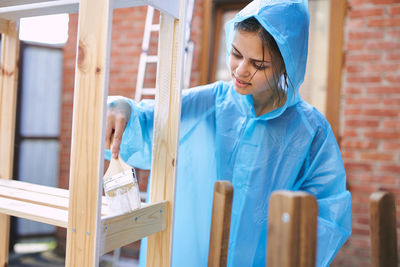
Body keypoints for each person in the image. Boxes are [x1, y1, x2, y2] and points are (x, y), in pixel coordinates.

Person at [105, 0, 352, 266]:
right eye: (236, 53)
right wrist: (121, 107)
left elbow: (327, 213)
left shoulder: (311, 131)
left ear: (286, 64)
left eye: (258, 64)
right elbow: (147, 122)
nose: (240, 70)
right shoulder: (209, 102)